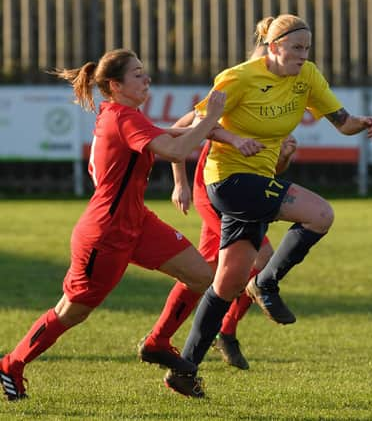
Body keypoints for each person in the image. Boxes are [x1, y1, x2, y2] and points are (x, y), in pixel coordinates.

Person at [160, 14, 372, 398]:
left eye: (307, 48)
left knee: (226, 284)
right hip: (226, 181)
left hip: (258, 183)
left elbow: (342, 122)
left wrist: (363, 122)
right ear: (274, 47)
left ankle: (185, 369)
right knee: (320, 214)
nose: (303, 55)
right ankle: (266, 283)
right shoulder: (239, 77)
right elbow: (198, 123)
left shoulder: (307, 76)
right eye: (296, 48)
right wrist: (232, 140)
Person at [0, 48, 227, 401]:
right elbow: (175, 151)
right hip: (105, 235)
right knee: (71, 312)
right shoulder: (124, 118)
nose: (146, 78)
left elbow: (172, 136)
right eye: (137, 74)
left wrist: (219, 130)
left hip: (137, 222)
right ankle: (11, 364)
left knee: (200, 274)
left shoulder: (126, 115)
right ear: (115, 85)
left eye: (144, 71)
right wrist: (212, 117)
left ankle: (157, 342)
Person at [169, 132, 297, 370]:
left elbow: (269, 170)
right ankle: (226, 332)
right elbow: (179, 133)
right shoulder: (231, 97)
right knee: (262, 257)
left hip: (240, 194)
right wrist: (180, 184)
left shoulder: (278, 112)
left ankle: (159, 339)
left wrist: (284, 157)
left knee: (206, 270)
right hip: (213, 190)